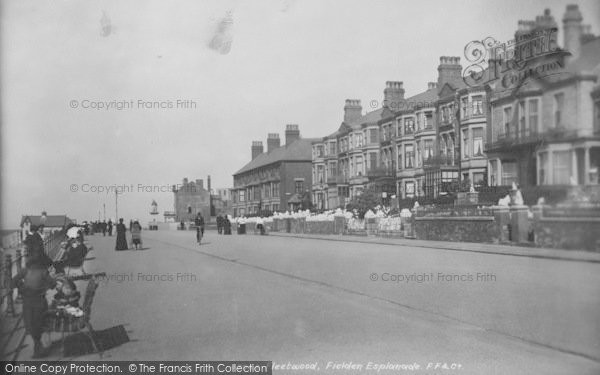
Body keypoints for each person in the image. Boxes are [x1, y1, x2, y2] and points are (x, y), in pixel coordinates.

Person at [11, 257, 56, 358]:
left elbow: (12, 282)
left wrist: (22, 287)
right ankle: (39, 345)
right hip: (39, 302)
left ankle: (38, 345)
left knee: (30, 324)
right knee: (39, 324)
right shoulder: (43, 271)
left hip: (28, 302)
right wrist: (44, 287)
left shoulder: (25, 270)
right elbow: (53, 284)